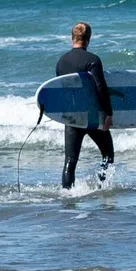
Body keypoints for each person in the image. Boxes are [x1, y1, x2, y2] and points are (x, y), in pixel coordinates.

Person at [49, 21, 115, 187]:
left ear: (72, 38)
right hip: (92, 118)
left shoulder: (61, 61)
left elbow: (61, 89)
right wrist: (108, 113)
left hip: (72, 118)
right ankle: (101, 188)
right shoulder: (93, 60)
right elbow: (100, 87)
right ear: (89, 39)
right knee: (107, 155)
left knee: (70, 162)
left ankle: (67, 197)